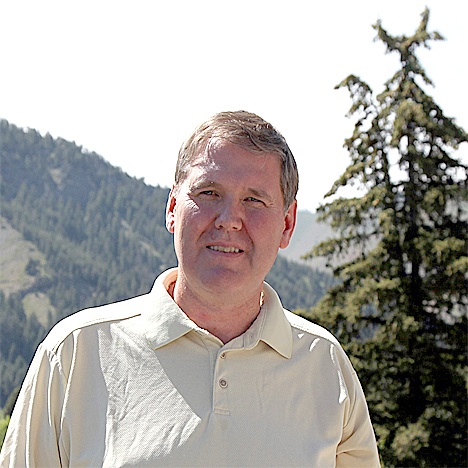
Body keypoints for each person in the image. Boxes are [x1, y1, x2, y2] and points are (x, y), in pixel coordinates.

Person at [0, 111, 380, 467]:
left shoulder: (325, 366)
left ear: (287, 224)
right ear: (172, 208)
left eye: (254, 200)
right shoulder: (75, 354)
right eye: (209, 193)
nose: (229, 220)